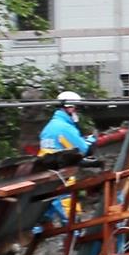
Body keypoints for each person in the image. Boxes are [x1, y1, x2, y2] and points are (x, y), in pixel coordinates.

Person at [37, 90, 92, 233]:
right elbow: (82, 149)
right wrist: (91, 141)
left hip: (46, 176)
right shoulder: (64, 127)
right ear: (70, 107)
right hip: (62, 177)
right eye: (77, 108)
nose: (77, 112)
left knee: (44, 212)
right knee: (72, 218)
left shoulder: (49, 127)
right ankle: (78, 240)